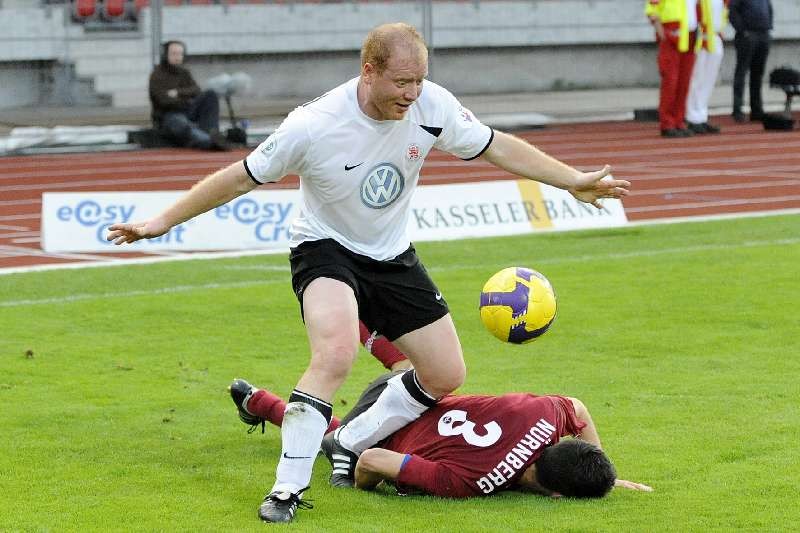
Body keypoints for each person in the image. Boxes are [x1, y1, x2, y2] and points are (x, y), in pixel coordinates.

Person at [107, 22, 630, 523]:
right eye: (403, 82)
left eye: (420, 80)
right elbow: (239, 178)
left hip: (392, 254)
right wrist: (160, 222)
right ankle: (286, 489)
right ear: (369, 71)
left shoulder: (432, 105)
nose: (412, 93)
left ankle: (348, 440)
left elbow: (495, 144)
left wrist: (570, 180)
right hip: (324, 248)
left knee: (446, 374)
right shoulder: (314, 124)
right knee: (334, 354)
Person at [229, 371, 652, 499]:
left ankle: (257, 403)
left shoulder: (543, 414)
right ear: (555, 494)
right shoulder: (471, 483)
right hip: (380, 421)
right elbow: (371, 461)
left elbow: (575, 405)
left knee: (426, 360)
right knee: (335, 441)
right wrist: (364, 488)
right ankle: (262, 404)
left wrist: (597, 461)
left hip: (408, 390)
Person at [149, 40, 230, 150]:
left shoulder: (184, 73)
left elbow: (196, 90)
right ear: (165, 55)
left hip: (187, 110)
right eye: (174, 54)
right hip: (168, 116)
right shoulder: (157, 75)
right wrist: (187, 99)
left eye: (180, 54)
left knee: (210, 95)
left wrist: (178, 92)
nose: (178, 57)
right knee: (180, 122)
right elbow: (164, 101)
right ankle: (207, 141)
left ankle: (213, 133)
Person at [646, 0, 699, 137]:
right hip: (672, 34)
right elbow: (652, 9)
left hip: (689, 36)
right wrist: (661, 33)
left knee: (684, 82)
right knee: (671, 81)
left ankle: (679, 121)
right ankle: (667, 123)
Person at [686, 0, 728, 134]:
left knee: (709, 81)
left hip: (715, 37)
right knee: (697, 79)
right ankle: (692, 117)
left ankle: (701, 115)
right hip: (701, 39)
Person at [729, 0, 773, 122]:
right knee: (741, 73)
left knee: (757, 74)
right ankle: (737, 109)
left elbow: (769, 9)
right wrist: (742, 30)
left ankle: (756, 109)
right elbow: (732, 12)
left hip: (763, 34)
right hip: (747, 35)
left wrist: (769, 28)